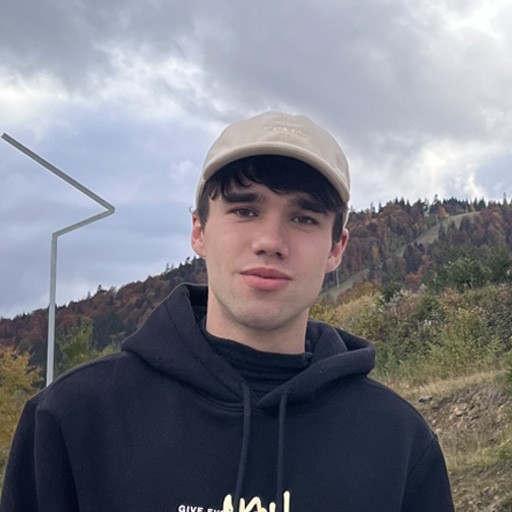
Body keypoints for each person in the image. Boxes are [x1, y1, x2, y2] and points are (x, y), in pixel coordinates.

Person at [1, 112, 454, 512]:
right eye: (244, 210)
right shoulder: (72, 420)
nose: (270, 241)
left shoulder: (398, 443)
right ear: (199, 231)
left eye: (304, 218)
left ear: (337, 248)